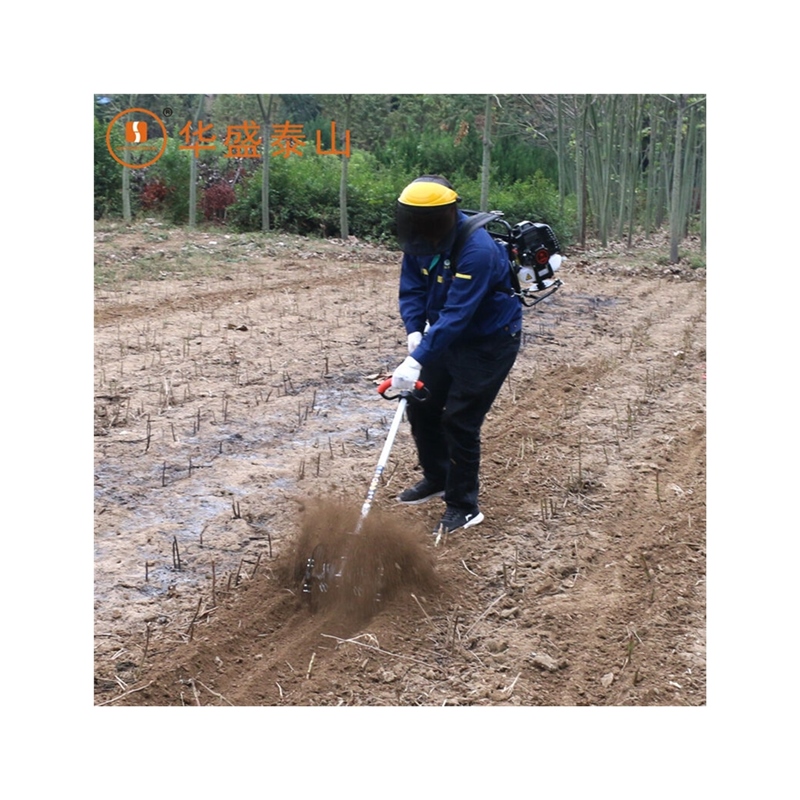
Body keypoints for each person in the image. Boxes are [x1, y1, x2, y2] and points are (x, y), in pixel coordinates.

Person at [390, 175, 522, 535]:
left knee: (460, 419)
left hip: (488, 342)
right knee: (421, 403)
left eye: (427, 221)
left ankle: (464, 507)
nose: (421, 229)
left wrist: (419, 358)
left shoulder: (477, 250)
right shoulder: (419, 239)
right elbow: (413, 289)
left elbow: (457, 314)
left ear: (447, 215)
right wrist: (414, 331)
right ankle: (438, 479)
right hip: (446, 337)